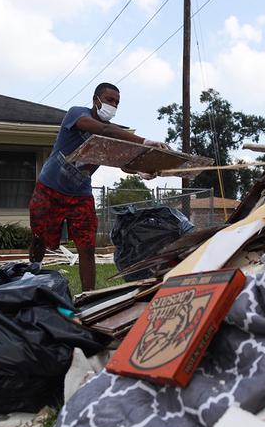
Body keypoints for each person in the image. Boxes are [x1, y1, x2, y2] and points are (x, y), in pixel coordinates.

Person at [29, 82, 167, 291]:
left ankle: (88, 298)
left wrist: (140, 171)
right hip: (50, 189)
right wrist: (145, 141)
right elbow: (104, 129)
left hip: (80, 194)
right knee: (40, 237)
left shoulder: (110, 136)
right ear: (96, 100)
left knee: (86, 247)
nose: (113, 105)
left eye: (117, 103)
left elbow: (122, 163)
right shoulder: (77, 115)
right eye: (110, 100)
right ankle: (31, 275)